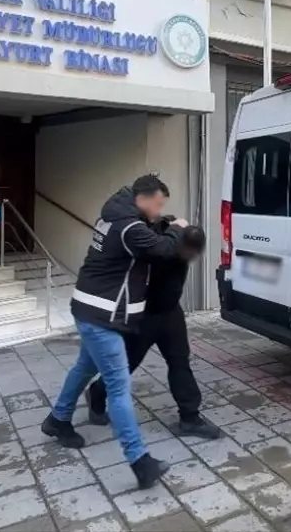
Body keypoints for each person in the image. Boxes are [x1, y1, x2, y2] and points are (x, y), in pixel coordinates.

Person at [41, 175, 186, 489]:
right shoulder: (129, 228)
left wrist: (164, 223)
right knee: (119, 388)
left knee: (84, 367)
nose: (159, 211)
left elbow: (148, 235)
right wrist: (177, 229)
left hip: (89, 308)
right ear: (142, 199)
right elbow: (161, 249)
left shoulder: (114, 217)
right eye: (158, 205)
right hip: (101, 317)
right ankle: (140, 461)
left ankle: (58, 419)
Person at [86, 223, 222, 440]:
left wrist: (173, 223)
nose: (192, 257)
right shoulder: (159, 248)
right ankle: (97, 392)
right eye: (190, 252)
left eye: (196, 253)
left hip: (171, 313)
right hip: (145, 317)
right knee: (127, 364)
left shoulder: (177, 239)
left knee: (180, 362)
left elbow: (168, 222)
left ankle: (190, 418)